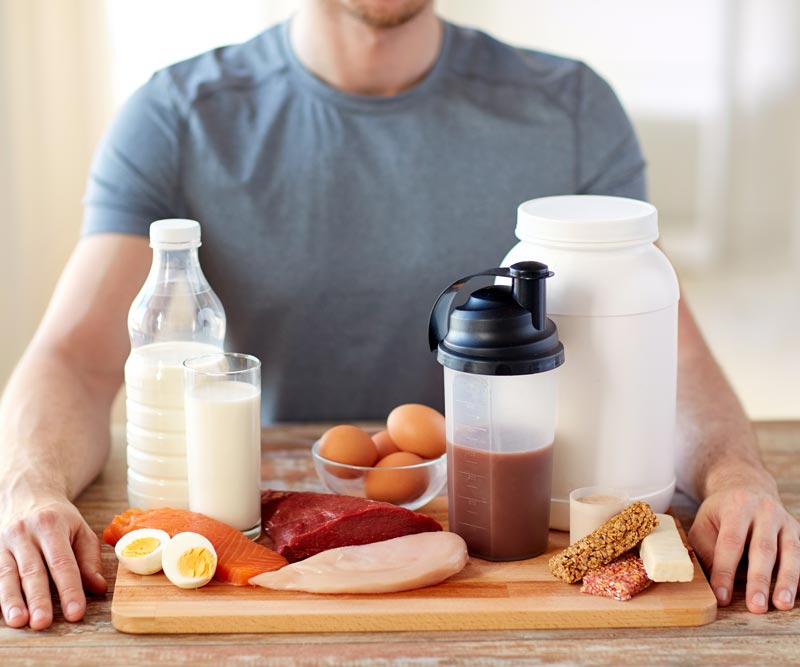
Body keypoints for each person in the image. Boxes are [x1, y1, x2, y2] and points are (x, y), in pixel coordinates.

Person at [1, 0, 797, 630]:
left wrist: (737, 475)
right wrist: (28, 486)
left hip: (523, 542)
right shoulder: (176, 116)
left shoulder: (573, 107)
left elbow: (671, 354)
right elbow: (74, 354)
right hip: (277, 525)